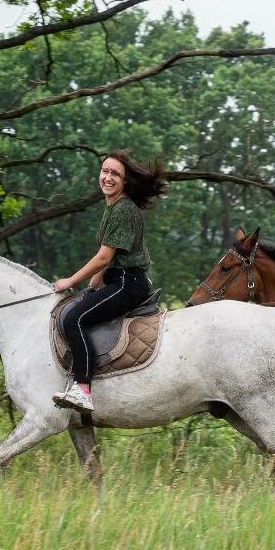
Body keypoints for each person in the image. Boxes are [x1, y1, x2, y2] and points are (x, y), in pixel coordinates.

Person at [51, 149, 166, 413]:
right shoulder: (112, 207)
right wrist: (91, 288)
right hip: (118, 280)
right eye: (105, 171)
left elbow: (103, 258)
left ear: (125, 181)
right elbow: (108, 258)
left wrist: (70, 281)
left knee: (73, 319)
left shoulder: (123, 210)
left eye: (115, 173)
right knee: (79, 309)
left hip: (128, 284)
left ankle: (82, 391)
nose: (108, 177)